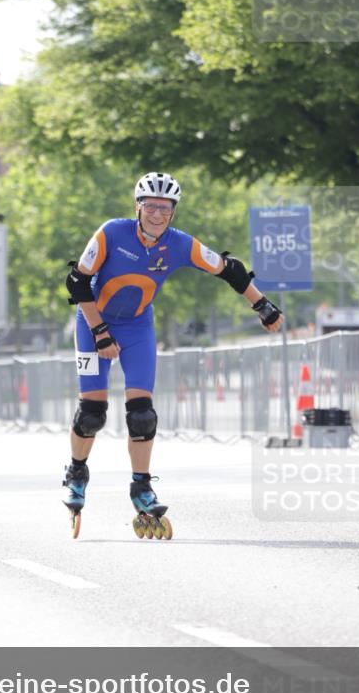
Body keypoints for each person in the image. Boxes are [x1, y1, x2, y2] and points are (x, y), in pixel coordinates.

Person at [62, 171, 284, 535]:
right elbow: (77, 281)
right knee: (91, 414)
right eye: (150, 206)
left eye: (165, 208)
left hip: (136, 327)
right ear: (138, 207)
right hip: (92, 323)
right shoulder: (111, 233)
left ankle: (142, 485)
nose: (157, 215)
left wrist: (263, 306)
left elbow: (229, 269)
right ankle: (76, 471)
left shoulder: (179, 244)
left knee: (142, 415)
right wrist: (100, 332)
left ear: (173, 212)